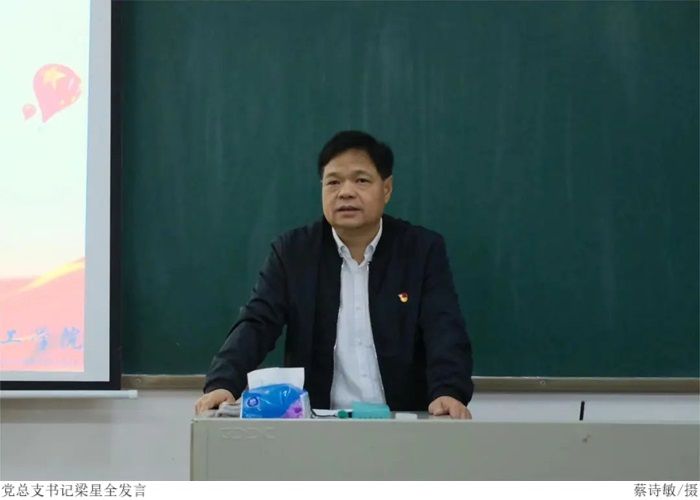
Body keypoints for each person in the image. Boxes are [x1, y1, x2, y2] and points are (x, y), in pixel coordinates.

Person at [195, 131, 473, 418]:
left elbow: (444, 328)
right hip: (320, 423)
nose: (346, 192)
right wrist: (223, 382)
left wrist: (448, 391)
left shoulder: (421, 251)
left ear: (387, 189)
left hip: (403, 420)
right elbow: (257, 322)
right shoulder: (293, 253)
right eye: (333, 182)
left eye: (361, 180)